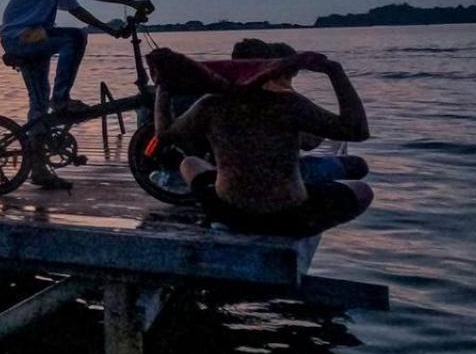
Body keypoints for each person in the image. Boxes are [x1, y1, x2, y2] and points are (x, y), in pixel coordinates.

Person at [151, 47, 373, 234]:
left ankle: (224, 221)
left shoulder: (210, 105)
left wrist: (162, 89)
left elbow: (164, 134)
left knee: (189, 163)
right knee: (363, 190)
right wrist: (335, 72)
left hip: (228, 212)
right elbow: (357, 130)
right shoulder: (288, 105)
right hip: (288, 216)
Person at [0, 0, 152, 160]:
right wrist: (130, 2)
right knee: (75, 37)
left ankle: (38, 165)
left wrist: (110, 30)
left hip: (33, 38)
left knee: (39, 105)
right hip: (19, 38)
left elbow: (76, 10)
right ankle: (61, 100)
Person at [230, 38, 370, 184]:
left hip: (231, 179)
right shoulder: (286, 102)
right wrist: (335, 71)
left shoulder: (215, 100)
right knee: (357, 166)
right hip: (280, 182)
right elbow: (355, 131)